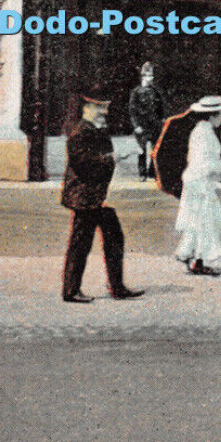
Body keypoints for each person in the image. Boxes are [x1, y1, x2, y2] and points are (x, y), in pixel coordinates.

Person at [60, 89, 144, 303]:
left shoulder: (98, 130)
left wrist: (112, 158)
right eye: (99, 107)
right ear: (87, 108)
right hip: (84, 198)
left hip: (95, 196)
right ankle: (71, 291)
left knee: (112, 237)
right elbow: (83, 163)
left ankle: (116, 287)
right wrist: (114, 157)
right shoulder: (80, 132)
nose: (104, 112)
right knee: (81, 244)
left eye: (105, 107)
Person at [173, 95, 221, 276]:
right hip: (200, 182)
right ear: (212, 115)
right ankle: (203, 259)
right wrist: (220, 166)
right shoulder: (204, 133)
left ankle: (193, 256)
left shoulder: (202, 130)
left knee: (198, 220)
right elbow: (202, 162)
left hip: (196, 180)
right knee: (207, 221)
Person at [128, 61, 166, 179]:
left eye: (152, 76)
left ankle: (152, 173)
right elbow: (132, 111)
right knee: (142, 151)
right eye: (148, 76)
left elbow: (161, 108)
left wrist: (162, 121)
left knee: (155, 150)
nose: (151, 78)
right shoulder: (136, 92)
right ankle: (142, 174)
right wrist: (136, 126)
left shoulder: (156, 91)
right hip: (142, 125)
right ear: (143, 77)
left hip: (154, 125)